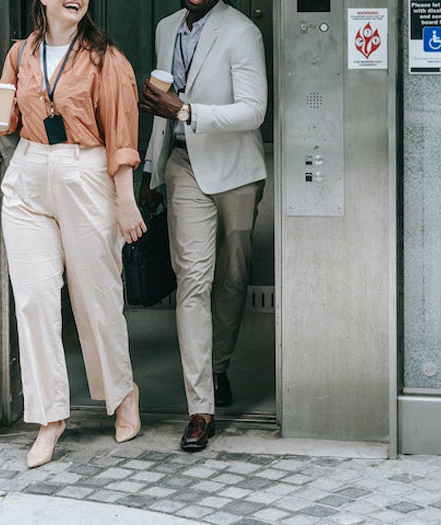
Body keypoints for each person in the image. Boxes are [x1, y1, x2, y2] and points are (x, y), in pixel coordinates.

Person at [0, 0, 146, 468]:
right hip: (30, 172)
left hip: (87, 172)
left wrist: (126, 199)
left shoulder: (106, 58)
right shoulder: (21, 54)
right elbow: (7, 122)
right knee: (34, 300)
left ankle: (122, 392)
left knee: (96, 298)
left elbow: (120, 132)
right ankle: (49, 417)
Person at [139, 0, 267, 451]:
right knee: (192, 282)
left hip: (235, 171)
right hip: (183, 166)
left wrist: (187, 111)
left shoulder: (242, 31)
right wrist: (151, 170)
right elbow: (160, 106)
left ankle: (220, 366)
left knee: (232, 279)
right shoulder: (165, 27)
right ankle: (201, 408)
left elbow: (254, 111)